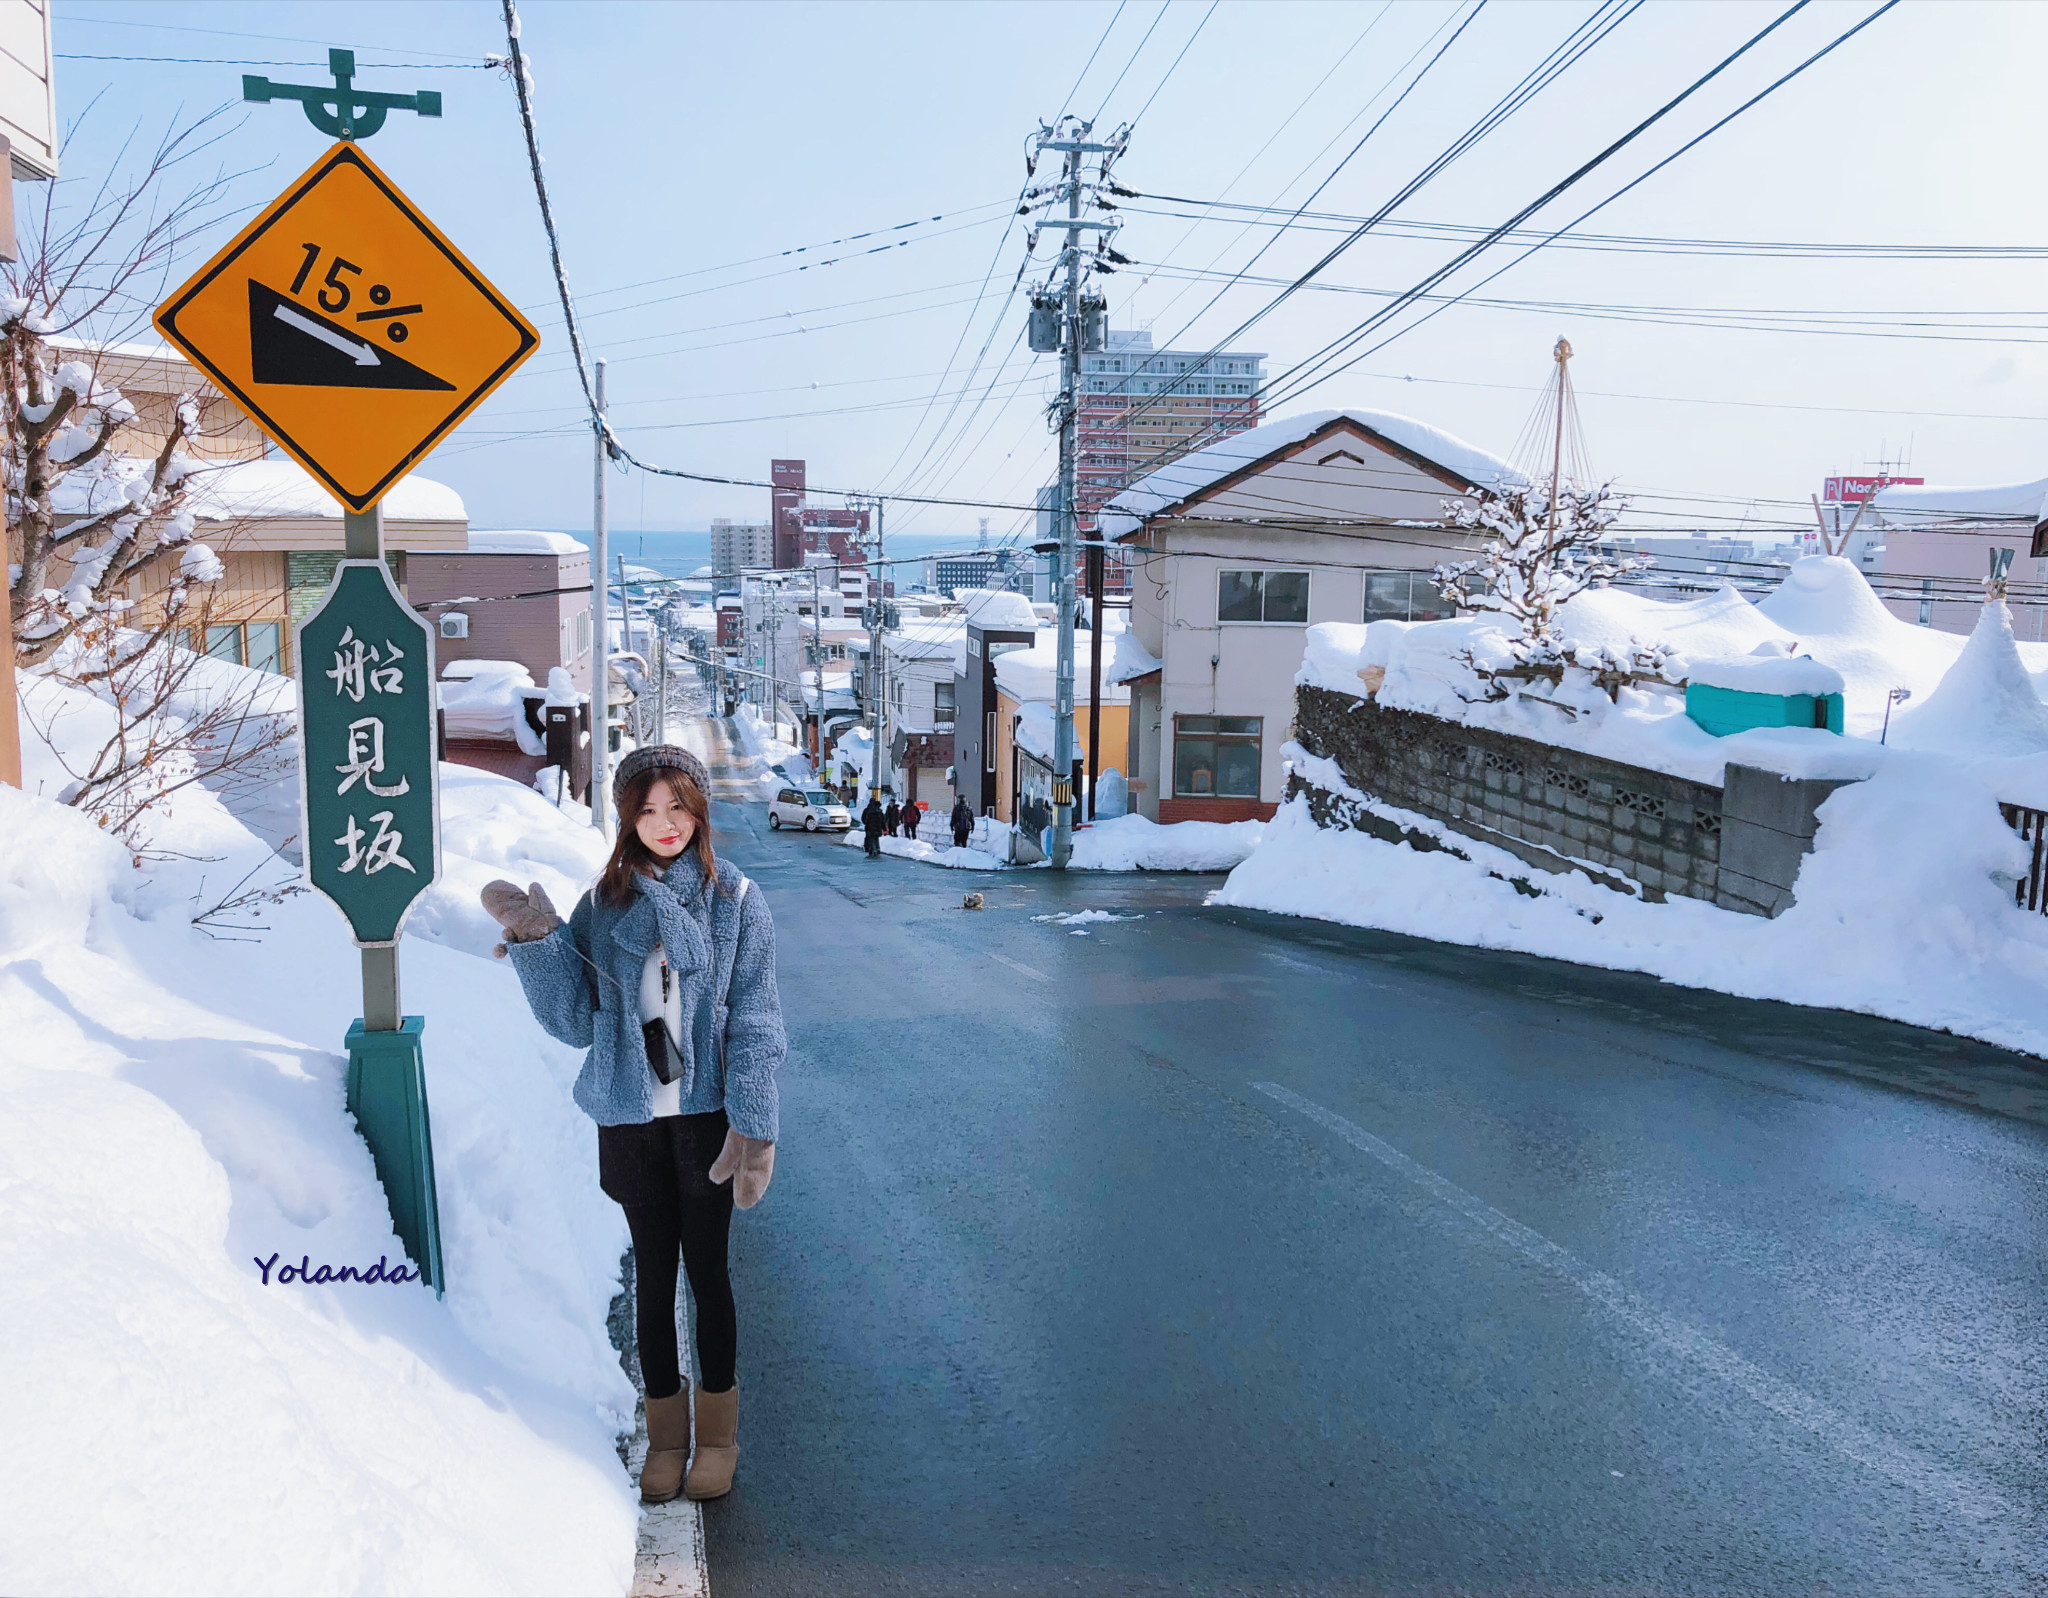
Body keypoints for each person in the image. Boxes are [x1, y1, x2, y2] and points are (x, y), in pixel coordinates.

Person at [481, 746, 785, 1507]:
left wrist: (754, 1124)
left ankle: (717, 1437)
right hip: (630, 1123)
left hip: (708, 1123)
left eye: (676, 807)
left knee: (708, 1276)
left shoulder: (737, 901)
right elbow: (576, 1022)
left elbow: (756, 1019)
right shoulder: (604, 906)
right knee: (654, 1278)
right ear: (627, 818)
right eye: (646, 810)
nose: (663, 824)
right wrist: (539, 945)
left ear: (698, 810)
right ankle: (667, 1438)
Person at [861, 792, 885, 857]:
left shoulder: (867, 810)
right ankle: (878, 848)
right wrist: (884, 828)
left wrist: (866, 824)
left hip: (870, 828)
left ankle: (873, 849)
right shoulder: (880, 811)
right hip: (878, 827)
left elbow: (864, 819)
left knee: (871, 839)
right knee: (876, 838)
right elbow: (883, 820)